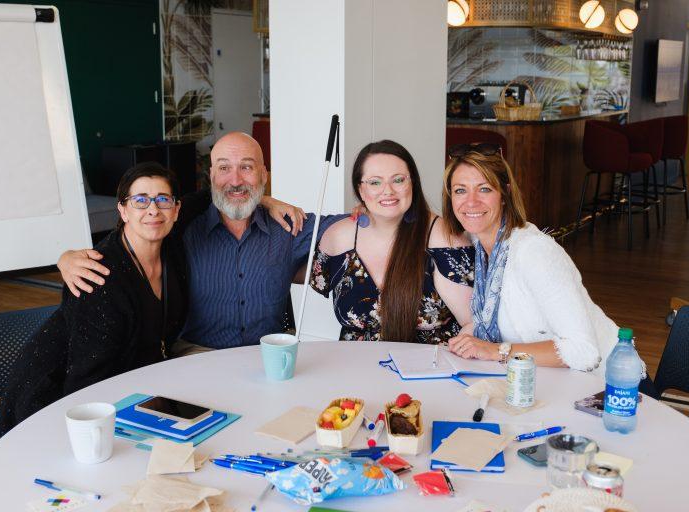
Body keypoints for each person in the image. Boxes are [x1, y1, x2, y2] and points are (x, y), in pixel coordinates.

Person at [58, 132, 341, 353]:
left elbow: (351, 227)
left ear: (264, 175)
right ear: (211, 176)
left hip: (271, 354)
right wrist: (68, 257)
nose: (235, 179)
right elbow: (132, 235)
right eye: (224, 168)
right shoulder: (181, 227)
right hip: (196, 355)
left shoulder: (287, 225)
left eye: (247, 167)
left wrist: (378, 202)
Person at [0, 163, 186, 439]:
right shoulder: (98, 276)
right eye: (140, 200)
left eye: (163, 199)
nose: (153, 209)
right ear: (123, 210)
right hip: (56, 407)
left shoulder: (172, 250)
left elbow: (212, 197)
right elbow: (84, 384)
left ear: (177, 209)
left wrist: (265, 200)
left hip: (129, 390)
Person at [442, 143, 619, 372]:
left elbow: (583, 351)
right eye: (460, 190)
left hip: (609, 387)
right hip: (541, 382)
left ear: (504, 194)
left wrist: (494, 350)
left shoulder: (533, 252)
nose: (471, 201)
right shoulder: (478, 244)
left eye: (484, 189)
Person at [309, 140, 474, 343]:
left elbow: (473, 324)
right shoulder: (337, 237)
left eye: (398, 180)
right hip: (355, 367)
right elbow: (306, 273)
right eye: (375, 182)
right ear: (360, 190)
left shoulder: (443, 240)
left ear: (412, 182)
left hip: (429, 368)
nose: (387, 191)